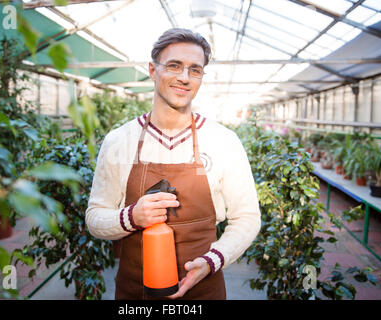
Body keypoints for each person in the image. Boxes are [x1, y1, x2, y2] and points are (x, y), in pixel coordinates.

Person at [85, 28, 261, 300]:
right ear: (153, 71)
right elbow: (95, 217)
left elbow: (247, 217)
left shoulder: (224, 141)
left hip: (204, 289)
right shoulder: (119, 140)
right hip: (136, 292)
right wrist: (131, 216)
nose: (184, 78)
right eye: (174, 66)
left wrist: (212, 260)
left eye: (195, 70)